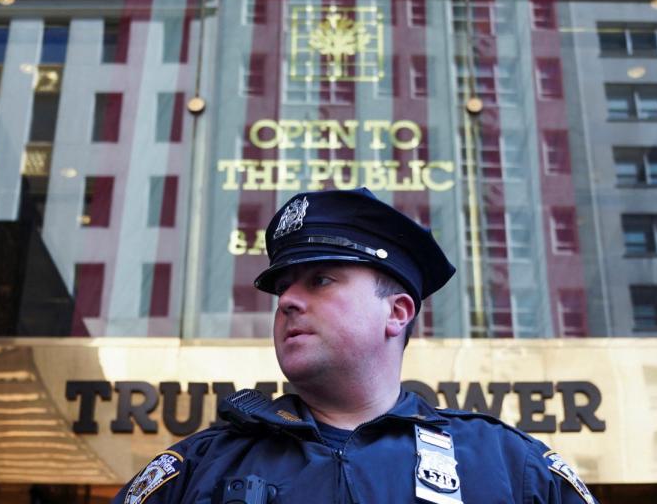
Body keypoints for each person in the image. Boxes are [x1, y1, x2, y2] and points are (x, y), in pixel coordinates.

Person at [112, 188, 597, 504]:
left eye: (320, 280)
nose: (289, 302)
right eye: (284, 289)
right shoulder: (198, 469)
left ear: (397, 312)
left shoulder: (511, 468)